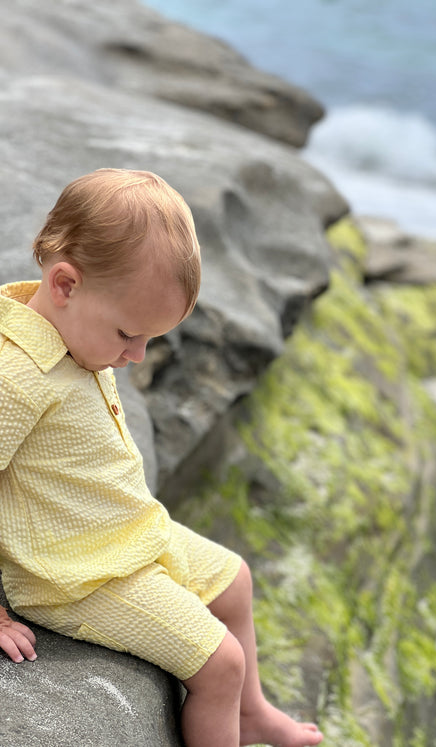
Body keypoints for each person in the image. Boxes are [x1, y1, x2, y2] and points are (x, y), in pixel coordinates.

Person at [0, 168, 323, 747]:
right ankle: (229, 709)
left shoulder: (73, 333)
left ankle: (251, 716)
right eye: (128, 334)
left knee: (237, 581)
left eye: (150, 339)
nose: (138, 356)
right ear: (65, 285)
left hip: (128, 531)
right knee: (220, 664)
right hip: (78, 574)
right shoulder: (16, 377)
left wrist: (118, 335)